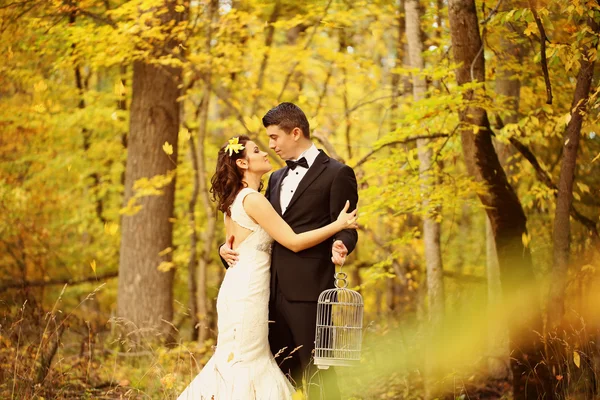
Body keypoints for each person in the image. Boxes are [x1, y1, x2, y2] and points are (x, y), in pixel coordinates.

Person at [177, 135, 358, 400]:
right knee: (248, 363)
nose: (267, 150)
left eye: (271, 139)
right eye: (257, 149)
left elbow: (238, 241)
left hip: (246, 289)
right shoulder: (254, 198)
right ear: (242, 162)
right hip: (252, 292)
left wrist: (341, 240)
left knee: (243, 360)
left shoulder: (237, 199)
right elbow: (293, 242)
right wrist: (338, 225)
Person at [221, 103, 359, 399]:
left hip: (310, 290)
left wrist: (342, 243)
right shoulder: (275, 179)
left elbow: (347, 224)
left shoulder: (338, 173)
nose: (271, 146)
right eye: (267, 141)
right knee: (277, 371)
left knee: (318, 369)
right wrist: (227, 248)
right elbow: (260, 230)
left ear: (295, 133)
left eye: (274, 138)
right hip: (265, 292)